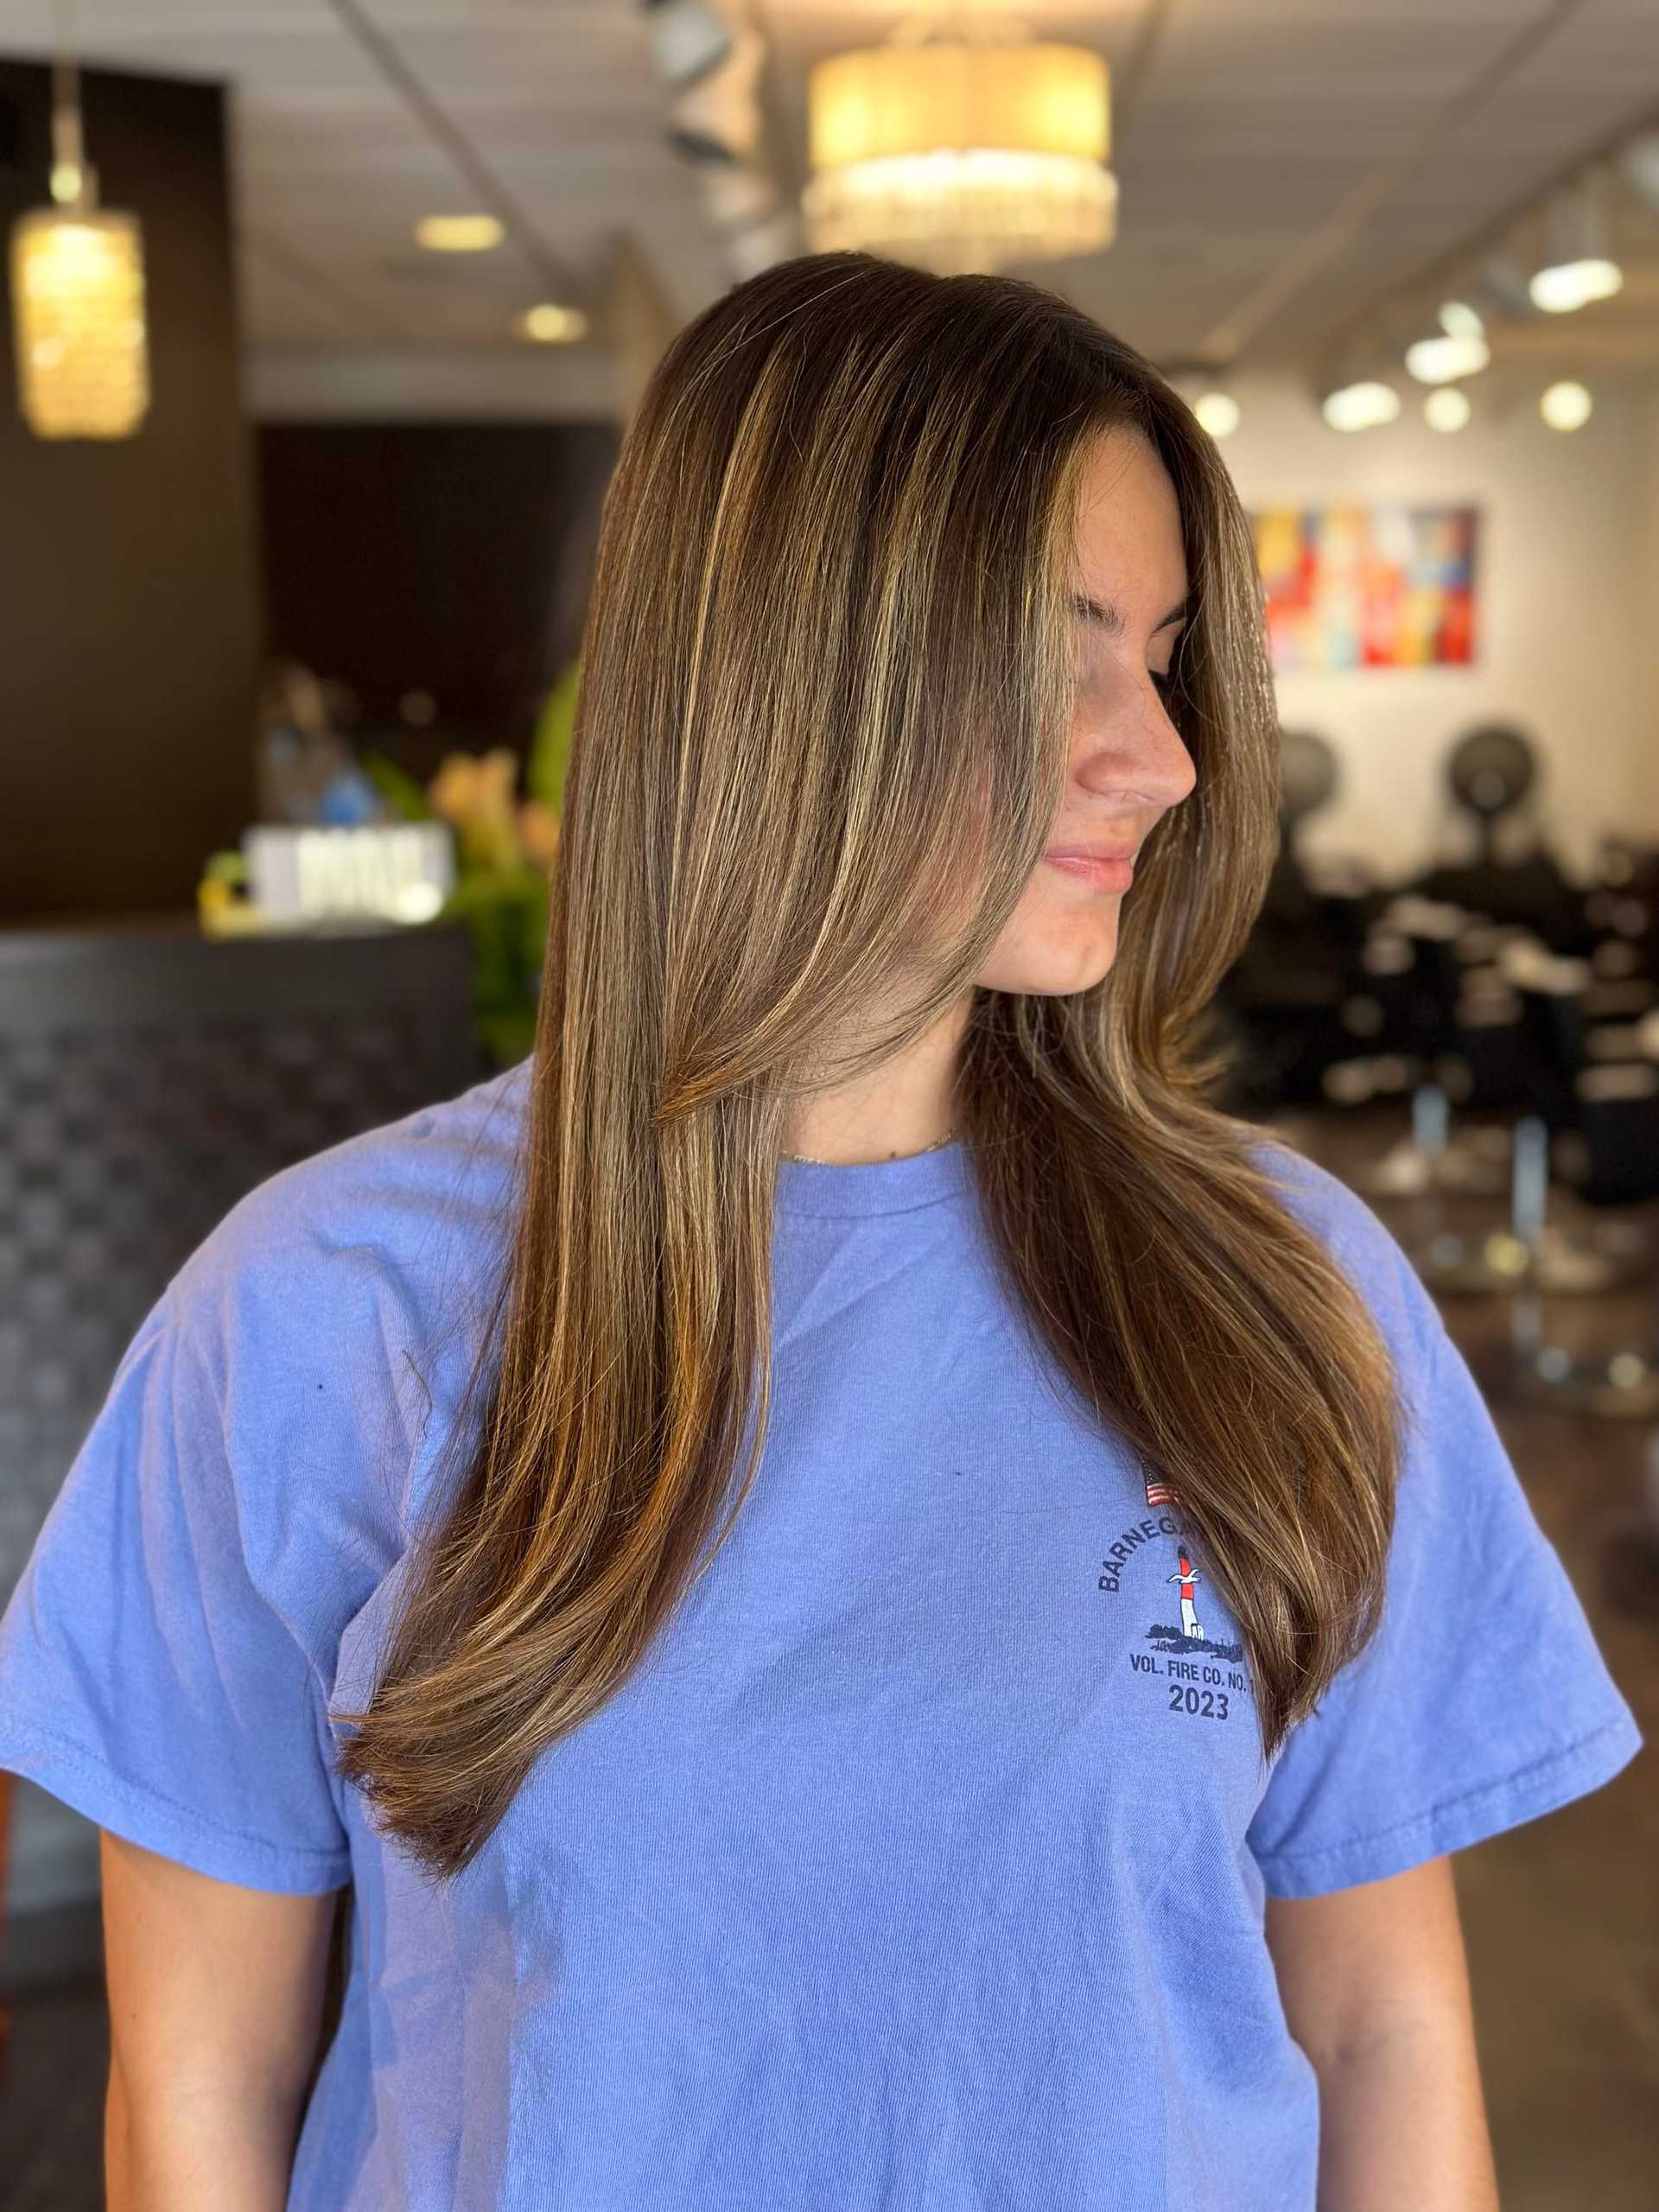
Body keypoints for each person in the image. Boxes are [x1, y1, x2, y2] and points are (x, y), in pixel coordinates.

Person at [0, 251, 1639, 2212]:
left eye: (1164, 654)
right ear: (784, 677)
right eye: (1060, 654)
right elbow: (199, 2086)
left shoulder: (1286, 1289)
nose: (1165, 753)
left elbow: (1385, 2028)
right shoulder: (321, 1310)